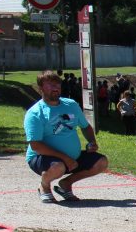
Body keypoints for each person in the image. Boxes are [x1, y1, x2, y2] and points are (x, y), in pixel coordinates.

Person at [24, 70, 108, 203]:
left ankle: (66, 184)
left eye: (57, 84)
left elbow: (85, 127)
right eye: (50, 85)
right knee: (58, 166)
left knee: (101, 162)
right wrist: (65, 158)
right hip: (41, 158)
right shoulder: (35, 113)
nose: (55, 88)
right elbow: (36, 145)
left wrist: (92, 142)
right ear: (41, 88)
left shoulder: (71, 105)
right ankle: (44, 186)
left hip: (71, 158)